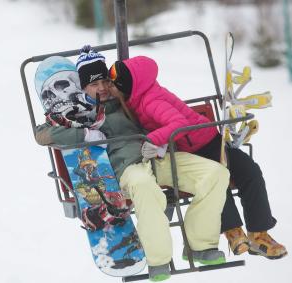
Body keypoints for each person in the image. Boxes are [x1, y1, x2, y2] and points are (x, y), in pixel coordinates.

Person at [35, 46, 230, 281]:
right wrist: (84, 135)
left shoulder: (126, 98)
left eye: (106, 82)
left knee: (215, 173)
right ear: (83, 88)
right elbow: (42, 134)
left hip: (158, 157)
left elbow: (156, 110)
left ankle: (200, 245)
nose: (102, 89)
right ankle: (158, 260)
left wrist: (159, 141)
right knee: (144, 187)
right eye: (94, 85)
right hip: (127, 168)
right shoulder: (78, 112)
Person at [108, 55, 287, 260]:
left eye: (114, 82)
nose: (110, 86)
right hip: (197, 147)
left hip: (205, 144)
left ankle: (259, 232)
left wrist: (152, 139)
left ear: (130, 84)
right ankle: (234, 231)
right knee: (218, 179)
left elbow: (179, 123)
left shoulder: (150, 101)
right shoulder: (140, 98)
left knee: (249, 170)